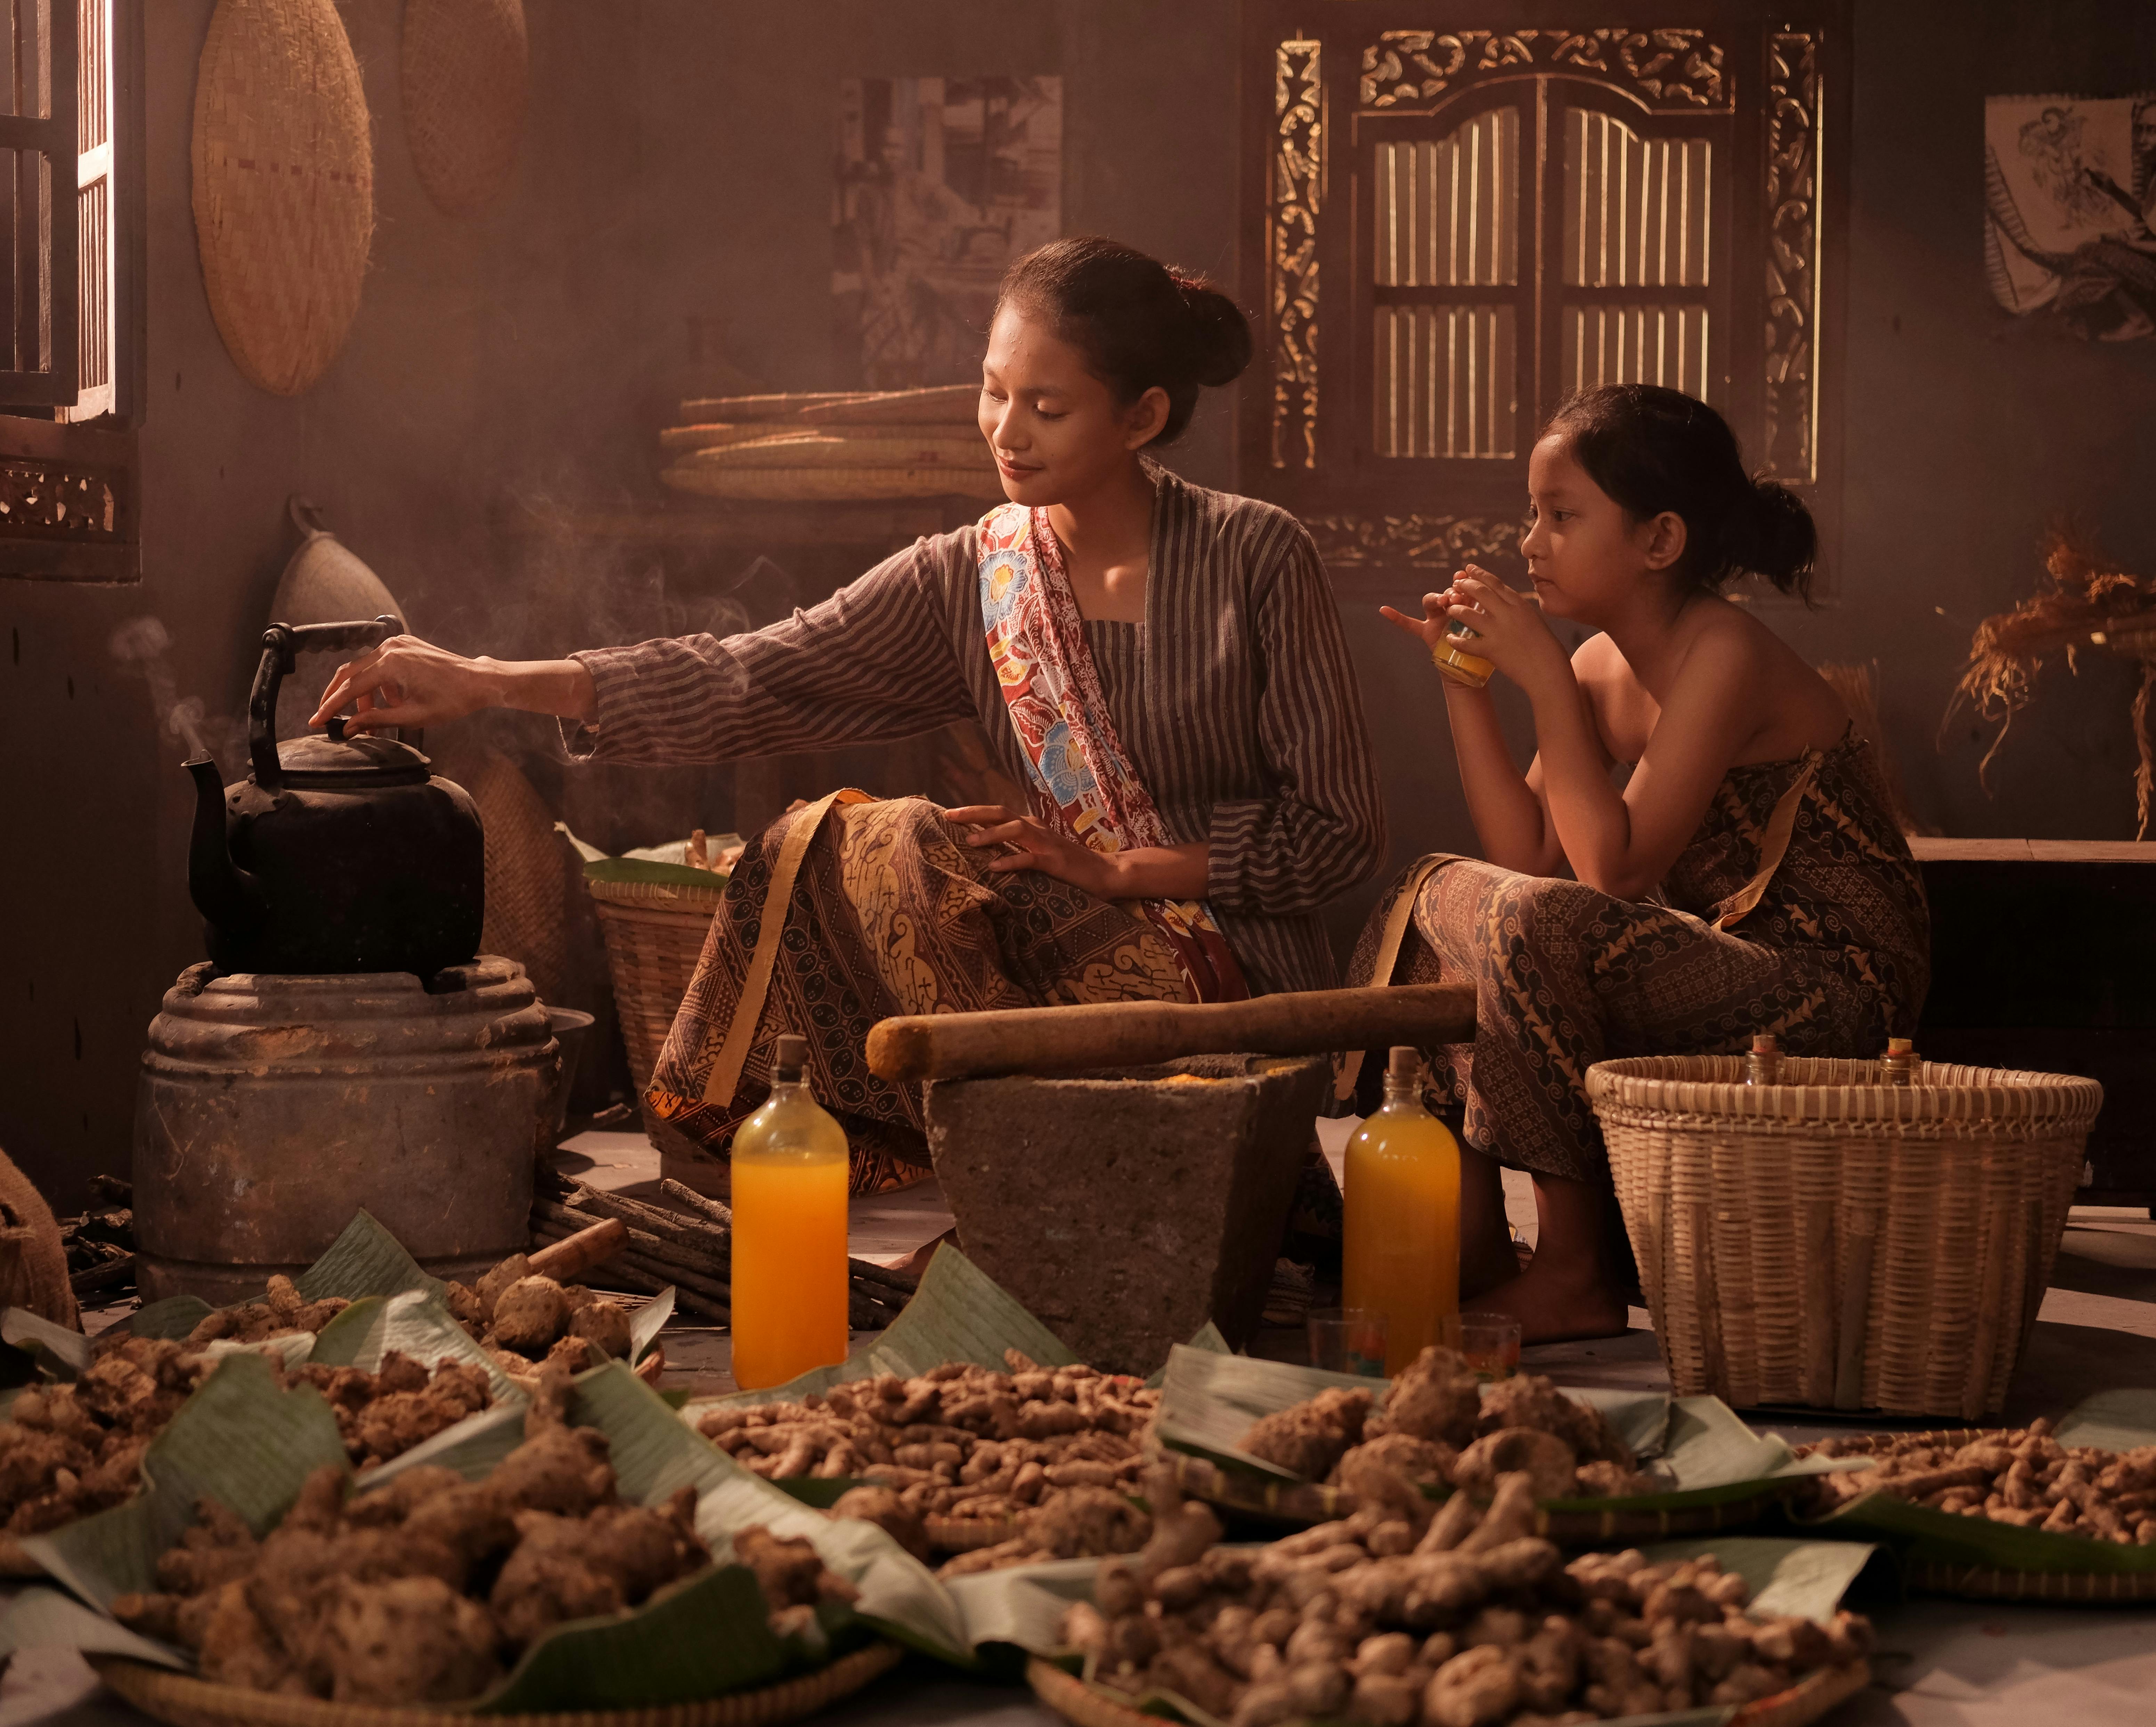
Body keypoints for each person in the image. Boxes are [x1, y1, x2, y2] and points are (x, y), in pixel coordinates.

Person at [309, 236, 1385, 1192]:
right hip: (1060, 966)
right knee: (848, 843)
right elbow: (749, 674)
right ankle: (972, 1172)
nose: (1005, 433)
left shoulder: (1257, 556)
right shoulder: (971, 574)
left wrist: (1121, 872)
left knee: (899, 846)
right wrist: (488, 679)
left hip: (1236, 980)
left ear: (1143, 415)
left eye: (1047, 408)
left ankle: (1138, 1165)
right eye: (991, 391)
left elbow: (1336, 837)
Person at [1356, 383, 1928, 1343]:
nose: (1530, 541)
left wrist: (1539, 671)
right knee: (1432, 893)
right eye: (1530, 514)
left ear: (1659, 540)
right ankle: (1484, 1251)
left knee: (1533, 920)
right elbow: (1531, 851)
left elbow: (1609, 875)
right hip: (1714, 954)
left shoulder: (1723, 654)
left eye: (1561, 516)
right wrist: (1465, 686)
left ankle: (1576, 1271)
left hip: (1831, 981)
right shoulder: (1600, 665)